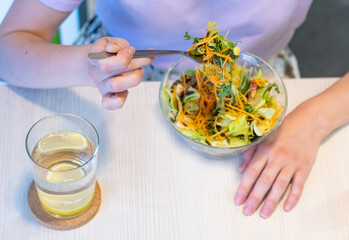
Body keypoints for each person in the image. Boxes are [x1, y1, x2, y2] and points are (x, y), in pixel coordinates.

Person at [0, 0, 348, 218]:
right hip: (119, 75)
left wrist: (314, 119)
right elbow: (8, 49)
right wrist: (87, 66)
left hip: (261, 85)